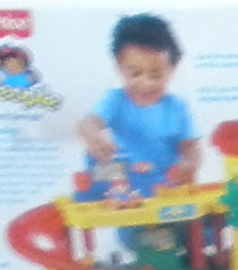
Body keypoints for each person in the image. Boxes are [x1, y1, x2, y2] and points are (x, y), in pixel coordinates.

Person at [79, 12, 202, 197]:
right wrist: (93, 136)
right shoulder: (115, 101)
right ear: (119, 66)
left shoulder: (177, 108)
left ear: (172, 69)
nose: (146, 84)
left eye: (156, 75)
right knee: (93, 170)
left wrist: (190, 163)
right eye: (135, 74)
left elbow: (190, 146)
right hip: (122, 182)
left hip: (163, 183)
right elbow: (90, 122)